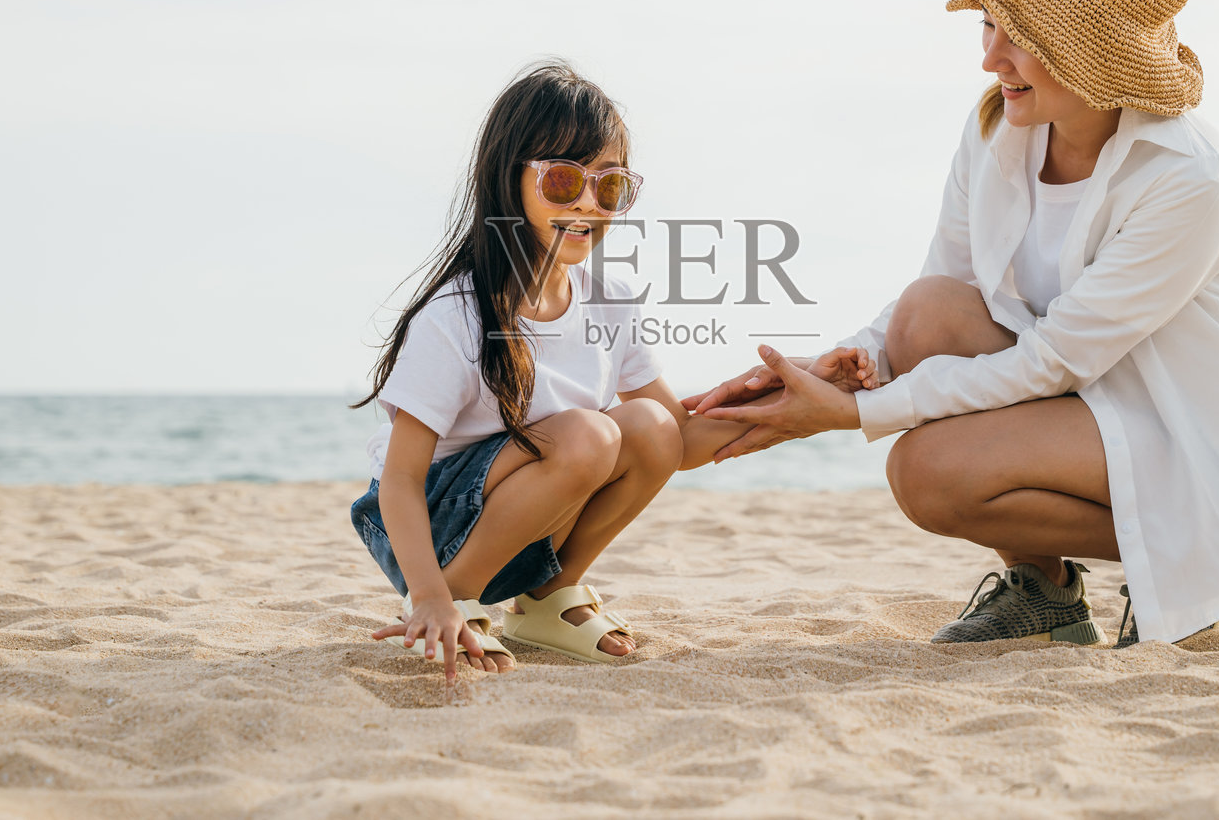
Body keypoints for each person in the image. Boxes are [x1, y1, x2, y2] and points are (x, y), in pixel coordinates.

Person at [686, 0, 1219, 647]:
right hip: (1093, 406)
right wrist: (847, 367)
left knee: (924, 470)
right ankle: (1048, 591)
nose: (989, 56)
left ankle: (1211, 560)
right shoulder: (1000, 125)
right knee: (926, 311)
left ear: (1088, 47)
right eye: (988, 23)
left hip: (1202, 439)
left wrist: (855, 415)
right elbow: (945, 288)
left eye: (1019, 34)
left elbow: (1057, 356)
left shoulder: (1188, 177)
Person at [349, 61, 870, 681]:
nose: (589, 205)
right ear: (505, 177)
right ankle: (452, 605)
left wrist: (803, 396)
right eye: (563, 181)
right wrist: (430, 593)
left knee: (648, 423)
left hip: (527, 525)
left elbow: (676, 439)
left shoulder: (609, 296)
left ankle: (544, 599)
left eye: (610, 186)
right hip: (424, 532)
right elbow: (401, 480)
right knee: (590, 433)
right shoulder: (457, 314)